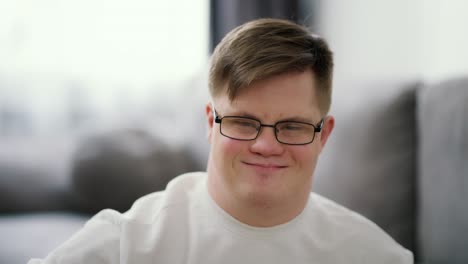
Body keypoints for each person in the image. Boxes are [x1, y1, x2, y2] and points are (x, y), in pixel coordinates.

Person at [29, 18, 413, 264]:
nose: (266, 145)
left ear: (323, 134)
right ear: (211, 123)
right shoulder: (127, 243)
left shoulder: (374, 255)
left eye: (292, 126)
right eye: (244, 122)